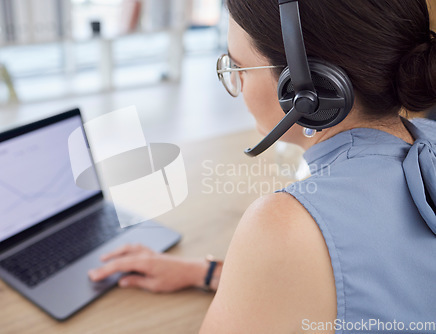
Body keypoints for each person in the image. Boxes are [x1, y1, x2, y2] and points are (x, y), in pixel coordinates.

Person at [89, 1, 436, 332]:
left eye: (238, 67)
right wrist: (209, 274)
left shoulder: (285, 225)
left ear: (309, 89)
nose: (236, 85)